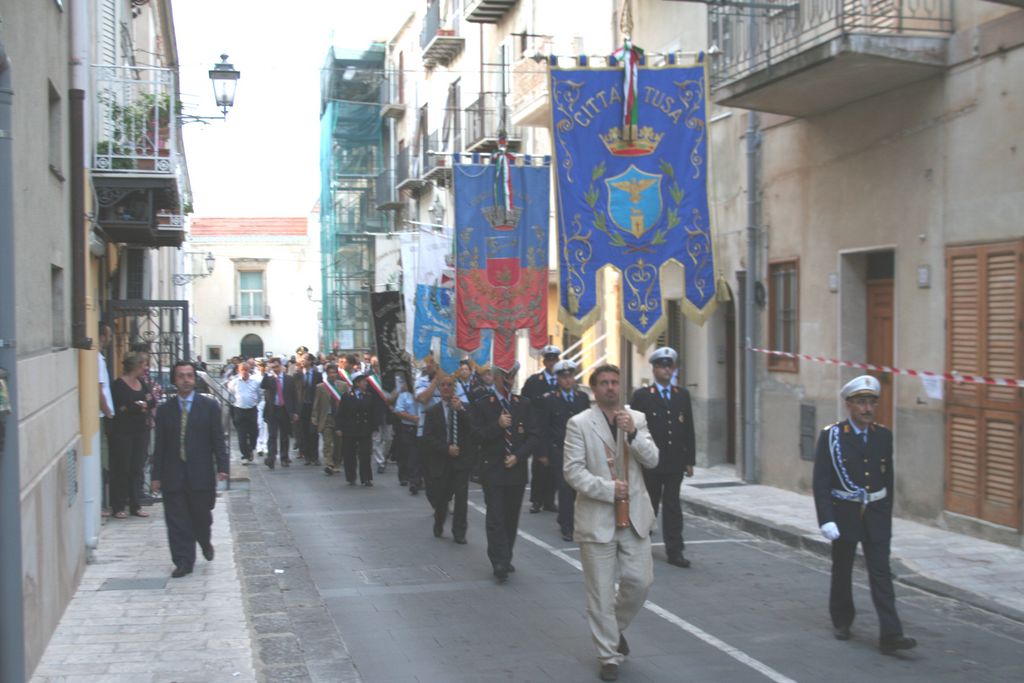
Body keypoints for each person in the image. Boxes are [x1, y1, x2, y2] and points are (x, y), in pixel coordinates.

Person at [563, 364, 659, 682]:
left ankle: (613, 629)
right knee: (601, 593)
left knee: (640, 581)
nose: (610, 387)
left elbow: (653, 459)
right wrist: (607, 489)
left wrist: (633, 433)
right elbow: (573, 471)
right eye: (604, 383)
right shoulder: (579, 423)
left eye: (615, 382)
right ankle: (608, 656)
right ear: (594, 389)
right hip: (597, 518)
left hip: (634, 517)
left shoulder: (637, 419)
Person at [813, 375, 917, 655]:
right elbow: (821, 480)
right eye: (861, 402)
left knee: (881, 573)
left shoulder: (883, 435)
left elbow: (887, 477)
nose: (868, 408)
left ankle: (891, 634)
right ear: (848, 404)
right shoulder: (833, 436)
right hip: (845, 513)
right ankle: (842, 621)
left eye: (872, 402)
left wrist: (886, 513)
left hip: (876, 514)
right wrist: (826, 519)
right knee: (843, 569)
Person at [151, 361, 229, 578]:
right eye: (181, 376)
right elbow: (160, 445)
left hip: (200, 473)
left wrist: (222, 466)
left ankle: (204, 540)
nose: (185, 380)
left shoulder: (209, 407)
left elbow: (217, 439)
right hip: (173, 473)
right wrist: (156, 476)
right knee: (177, 521)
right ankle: (183, 561)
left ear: (194, 379)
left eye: (189, 376)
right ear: (174, 380)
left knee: (201, 517)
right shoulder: (165, 411)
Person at [469, 361, 539, 583]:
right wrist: (497, 426)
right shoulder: (483, 404)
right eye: (505, 376)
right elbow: (477, 436)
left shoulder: (523, 404)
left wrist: (518, 456)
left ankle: (506, 555)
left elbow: (533, 436)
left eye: (512, 376)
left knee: (511, 518)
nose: (509, 380)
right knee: (496, 517)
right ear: (496, 378)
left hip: (515, 471)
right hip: (493, 470)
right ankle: (498, 560)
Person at [630, 347, 695, 568]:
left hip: (675, 460)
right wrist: (636, 457)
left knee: (673, 506)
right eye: (661, 366)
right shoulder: (642, 396)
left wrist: (689, 460)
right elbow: (635, 430)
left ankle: (675, 550)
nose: (666, 370)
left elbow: (688, 428)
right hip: (651, 461)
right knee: (649, 504)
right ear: (654, 369)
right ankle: (641, 544)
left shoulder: (681, 395)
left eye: (670, 366)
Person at [539, 359, 590, 541]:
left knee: (579, 488)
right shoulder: (550, 399)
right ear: (558, 379)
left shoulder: (582, 398)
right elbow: (544, 427)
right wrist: (543, 453)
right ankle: (567, 527)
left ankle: (573, 520)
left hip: (580, 449)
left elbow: (589, 424)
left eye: (570, 376)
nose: (568, 380)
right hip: (559, 449)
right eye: (563, 377)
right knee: (565, 488)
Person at [422, 375, 474, 543]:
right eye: (443, 385)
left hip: (461, 461)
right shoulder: (432, 411)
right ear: (439, 388)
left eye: (449, 385)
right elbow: (428, 438)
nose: (446, 388)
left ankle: (459, 532)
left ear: (454, 388)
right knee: (442, 498)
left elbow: (473, 429)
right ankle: (439, 522)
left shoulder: (464, 407)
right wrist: (446, 449)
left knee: (461, 498)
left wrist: (461, 410)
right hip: (442, 461)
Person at [109, 352, 156, 519]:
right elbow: (123, 406)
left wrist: (140, 405)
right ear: (136, 366)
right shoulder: (119, 385)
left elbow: (152, 401)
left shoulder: (142, 383)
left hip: (140, 431)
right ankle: (118, 506)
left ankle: (136, 505)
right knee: (122, 468)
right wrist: (140, 406)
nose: (146, 368)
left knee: (137, 468)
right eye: (144, 365)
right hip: (123, 432)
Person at [522, 345, 562, 513]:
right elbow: (525, 402)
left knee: (554, 466)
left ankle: (549, 501)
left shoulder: (562, 381)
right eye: (549, 360)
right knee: (539, 465)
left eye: (554, 360)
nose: (552, 363)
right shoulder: (534, 381)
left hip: (556, 429)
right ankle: (536, 500)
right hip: (539, 428)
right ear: (544, 362)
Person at [335, 371, 380, 486]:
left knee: (365, 455)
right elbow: (341, 413)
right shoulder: (347, 396)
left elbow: (373, 413)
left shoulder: (369, 396)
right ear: (357, 383)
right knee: (349, 454)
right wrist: (339, 428)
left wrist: (375, 428)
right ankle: (351, 476)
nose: (366, 383)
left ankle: (366, 478)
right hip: (350, 429)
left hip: (365, 429)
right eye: (364, 381)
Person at [260, 356, 298, 469]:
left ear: (281, 366)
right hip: (272, 410)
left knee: (284, 435)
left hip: (285, 410)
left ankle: (284, 458)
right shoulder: (269, 379)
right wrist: (267, 371)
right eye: (273, 367)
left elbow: (294, 396)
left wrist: (295, 411)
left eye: (277, 367)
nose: (275, 369)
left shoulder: (289, 379)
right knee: (272, 435)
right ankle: (271, 458)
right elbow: (263, 385)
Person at [412, 356, 442, 496]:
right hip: (425, 432)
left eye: (432, 362)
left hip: (444, 431)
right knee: (429, 469)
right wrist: (435, 381)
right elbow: (423, 398)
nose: (429, 365)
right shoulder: (421, 381)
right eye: (427, 362)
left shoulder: (449, 382)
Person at [312, 362, 349, 475]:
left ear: (337, 374)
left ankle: (337, 463)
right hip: (327, 418)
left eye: (334, 372)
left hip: (339, 419)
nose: (332, 375)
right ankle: (329, 463)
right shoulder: (321, 387)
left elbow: (347, 403)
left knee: (338, 443)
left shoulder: (343, 386)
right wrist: (314, 417)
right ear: (327, 374)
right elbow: (316, 404)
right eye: (330, 373)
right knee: (328, 442)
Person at [227, 361, 261, 464]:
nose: (245, 372)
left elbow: (259, 395)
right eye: (242, 370)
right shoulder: (234, 383)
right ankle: (245, 455)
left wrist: (254, 402)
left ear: (249, 370)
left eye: (246, 370)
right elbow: (231, 395)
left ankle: (251, 449)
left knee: (254, 433)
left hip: (252, 410)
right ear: (239, 371)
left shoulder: (255, 382)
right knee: (241, 435)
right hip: (239, 410)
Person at [392, 371, 419, 486]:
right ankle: (407, 477)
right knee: (408, 453)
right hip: (407, 427)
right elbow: (398, 410)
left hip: (421, 427)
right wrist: (412, 418)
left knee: (418, 454)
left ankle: (417, 478)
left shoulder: (422, 395)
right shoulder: (404, 395)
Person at [295, 352, 323, 465]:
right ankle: (307, 456)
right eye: (302, 359)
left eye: (305, 359)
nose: (303, 361)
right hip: (302, 407)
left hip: (313, 406)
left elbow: (320, 391)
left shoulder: (317, 375)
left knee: (314, 432)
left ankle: (315, 457)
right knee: (304, 432)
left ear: (310, 361)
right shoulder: (298, 375)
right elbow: (295, 392)